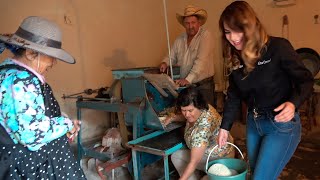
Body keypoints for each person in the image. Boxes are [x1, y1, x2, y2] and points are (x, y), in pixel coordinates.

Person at [216, 1, 314, 179]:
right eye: (228, 32)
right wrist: (225, 127)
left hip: (281, 124)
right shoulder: (235, 58)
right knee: (259, 174)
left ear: (250, 26)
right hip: (254, 124)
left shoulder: (278, 47)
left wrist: (293, 104)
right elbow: (234, 95)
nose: (233, 37)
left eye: (238, 30)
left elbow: (306, 81)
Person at [0, 16, 86, 179]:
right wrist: (66, 124)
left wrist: (60, 124)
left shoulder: (8, 73)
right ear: (31, 53)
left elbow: (23, 117)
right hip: (29, 166)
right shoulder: (22, 80)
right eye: (50, 56)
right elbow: (30, 134)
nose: (53, 62)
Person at [164, 87, 234, 180]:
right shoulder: (204, 108)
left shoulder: (202, 129)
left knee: (179, 158)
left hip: (218, 160)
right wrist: (173, 117)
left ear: (199, 106)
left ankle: (208, 175)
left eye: (190, 110)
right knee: (177, 155)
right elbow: (186, 116)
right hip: (216, 154)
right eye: (183, 110)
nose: (187, 114)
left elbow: (194, 162)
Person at [159, 5, 215, 106]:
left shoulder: (206, 36)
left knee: (206, 118)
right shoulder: (180, 39)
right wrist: (165, 62)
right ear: (184, 24)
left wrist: (188, 79)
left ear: (199, 22)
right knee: (189, 117)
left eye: (193, 22)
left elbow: (200, 61)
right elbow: (171, 56)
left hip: (203, 87)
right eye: (187, 23)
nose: (190, 26)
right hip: (188, 87)